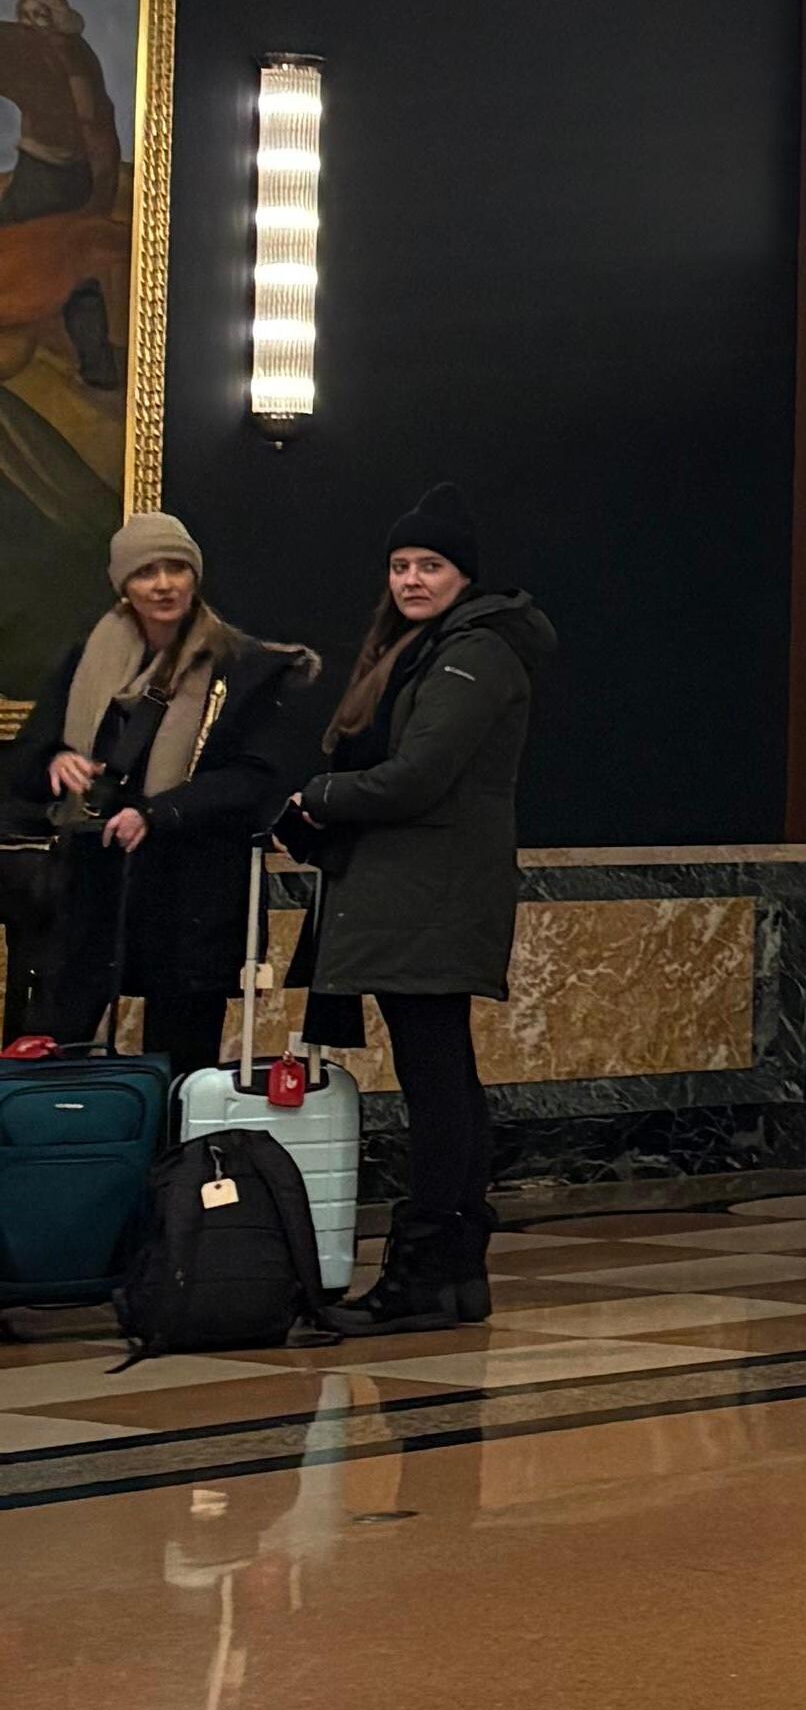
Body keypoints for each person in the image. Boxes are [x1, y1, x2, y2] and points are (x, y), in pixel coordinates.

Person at [293, 488, 554, 1334]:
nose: (412, 579)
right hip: (416, 891)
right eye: (401, 566)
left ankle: (427, 1274)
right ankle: (450, 1276)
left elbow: (419, 774)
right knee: (438, 1074)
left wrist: (318, 796)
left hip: (433, 893)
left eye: (430, 566)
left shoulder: (475, 653)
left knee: (438, 1080)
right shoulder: (426, 648)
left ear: (462, 576)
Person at [0, 510, 321, 1073]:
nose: (165, 584)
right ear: (124, 583)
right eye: (148, 571)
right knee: (63, 1048)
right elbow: (26, 762)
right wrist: (57, 759)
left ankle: (175, 1162)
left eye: (177, 568)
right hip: (95, 891)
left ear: (195, 577)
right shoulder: (87, 660)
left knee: (182, 1061)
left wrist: (158, 813)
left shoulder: (240, 666)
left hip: (190, 895)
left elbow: (254, 778)